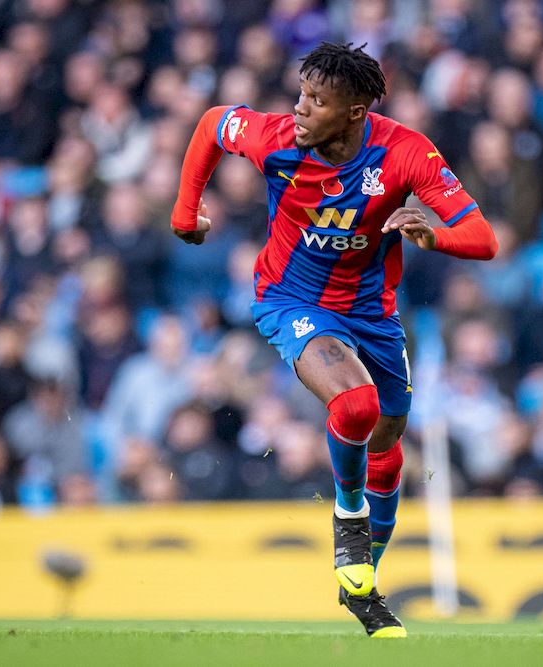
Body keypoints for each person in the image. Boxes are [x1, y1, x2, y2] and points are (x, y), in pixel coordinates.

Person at [170, 43, 497, 638]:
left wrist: (433, 235)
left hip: (372, 313)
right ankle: (348, 518)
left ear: (353, 113)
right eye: (301, 93)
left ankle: (363, 578)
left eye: (317, 101)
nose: (299, 109)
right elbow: (212, 123)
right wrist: (185, 212)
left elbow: (483, 237)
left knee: (389, 438)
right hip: (291, 300)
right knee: (356, 405)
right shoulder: (275, 138)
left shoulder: (403, 153)